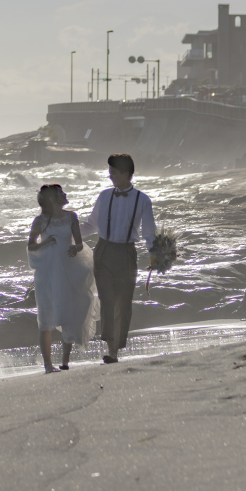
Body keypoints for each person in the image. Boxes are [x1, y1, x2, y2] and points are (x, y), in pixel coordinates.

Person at [80, 153, 156, 364]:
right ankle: (111, 350)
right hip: (103, 251)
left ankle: (116, 350)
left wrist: (156, 256)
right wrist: (65, 234)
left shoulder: (143, 199)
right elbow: (90, 226)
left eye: (113, 171)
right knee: (106, 301)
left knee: (123, 303)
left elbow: (149, 232)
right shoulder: (104, 196)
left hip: (127, 253)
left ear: (125, 173)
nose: (110, 175)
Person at [27, 183, 98, 373]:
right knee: (46, 318)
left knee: (69, 312)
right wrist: (46, 242)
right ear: (52, 198)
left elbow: (80, 244)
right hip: (47, 274)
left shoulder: (71, 217)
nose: (65, 194)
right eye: (61, 192)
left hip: (69, 269)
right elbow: (31, 246)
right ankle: (48, 365)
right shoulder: (40, 221)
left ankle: (65, 362)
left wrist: (76, 248)